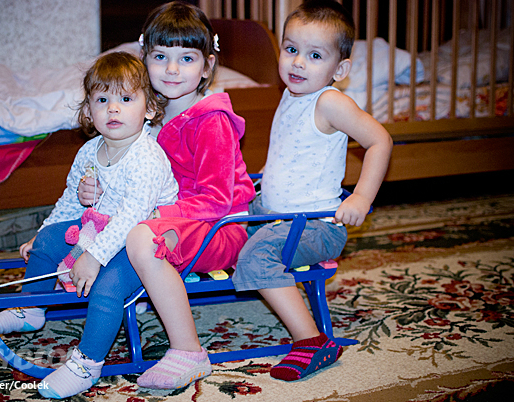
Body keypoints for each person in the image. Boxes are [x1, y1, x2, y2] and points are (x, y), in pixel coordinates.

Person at [79, 1, 256, 390]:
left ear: (207, 66)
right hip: (177, 218)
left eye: (186, 59)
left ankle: (188, 350)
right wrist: (98, 189)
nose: (172, 69)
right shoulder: (148, 113)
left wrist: (156, 213)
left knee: (141, 236)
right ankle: (41, 298)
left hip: (219, 227)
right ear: (144, 59)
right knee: (104, 224)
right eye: (161, 57)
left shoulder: (211, 121)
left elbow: (217, 200)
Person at [0, 51, 179, 399]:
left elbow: (131, 216)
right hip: (101, 229)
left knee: (107, 286)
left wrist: (92, 256)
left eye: (126, 99)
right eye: (102, 100)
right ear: (89, 111)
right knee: (49, 239)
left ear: (150, 109)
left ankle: (87, 364)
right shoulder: (89, 151)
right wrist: (43, 233)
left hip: (146, 242)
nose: (113, 109)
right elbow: (69, 200)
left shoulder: (147, 157)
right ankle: (30, 307)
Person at [231, 0, 393, 382]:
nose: (298, 63)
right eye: (291, 49)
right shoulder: (291, 94)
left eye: (315, 55)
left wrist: (361, 197)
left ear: (340, 70)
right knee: (223, 216)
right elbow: (291, 151)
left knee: (254, 257)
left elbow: (380, 141)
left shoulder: (330, 101)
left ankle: (311, 341)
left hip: (317, 225)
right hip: (276, 213)